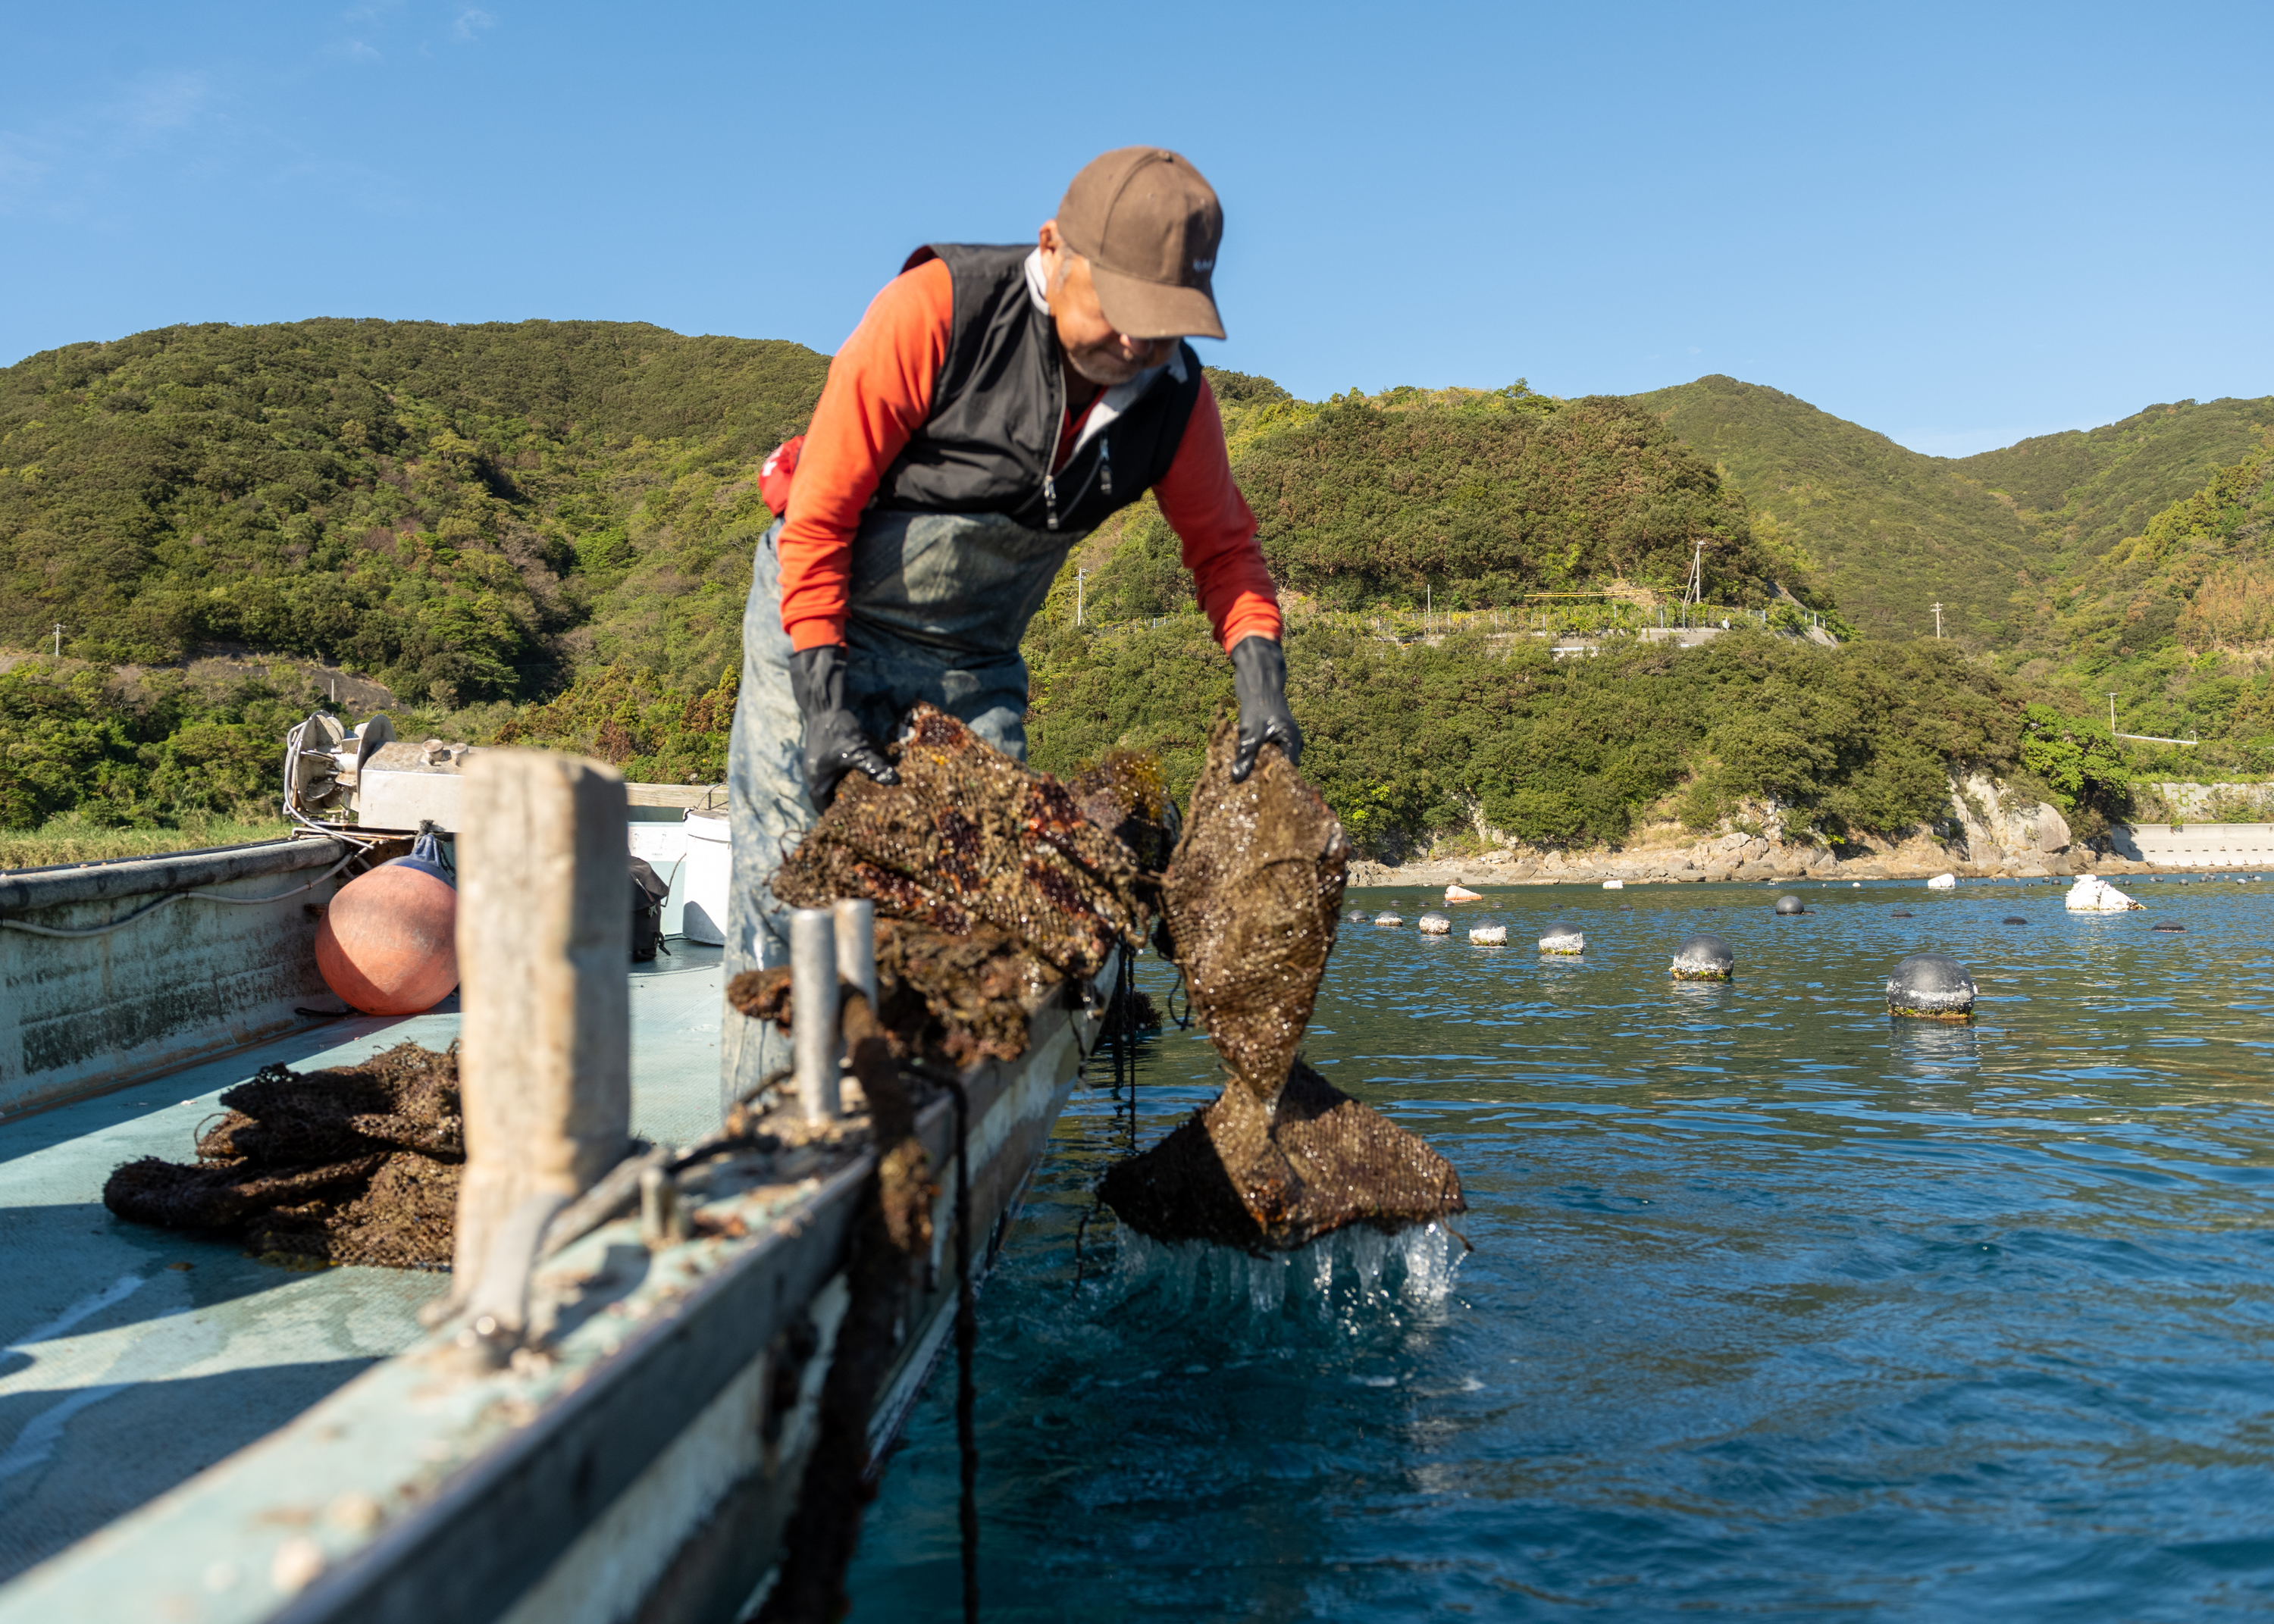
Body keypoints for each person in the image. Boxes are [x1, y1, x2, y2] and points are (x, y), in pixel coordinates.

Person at [721, 146, 1300, 1112]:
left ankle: (934, 1137)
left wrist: (1264, 693)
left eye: (1164, 322)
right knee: (788, 900)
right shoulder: (940, 311)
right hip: (822, 629)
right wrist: (823, 708)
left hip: (971, 663)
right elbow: (817, 520)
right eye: (1122, 307)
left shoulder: (1173, 401)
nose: (1138, 341)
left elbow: (1226, 554)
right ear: (1054, 249)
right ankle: (770, 1144)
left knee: (992, 906)